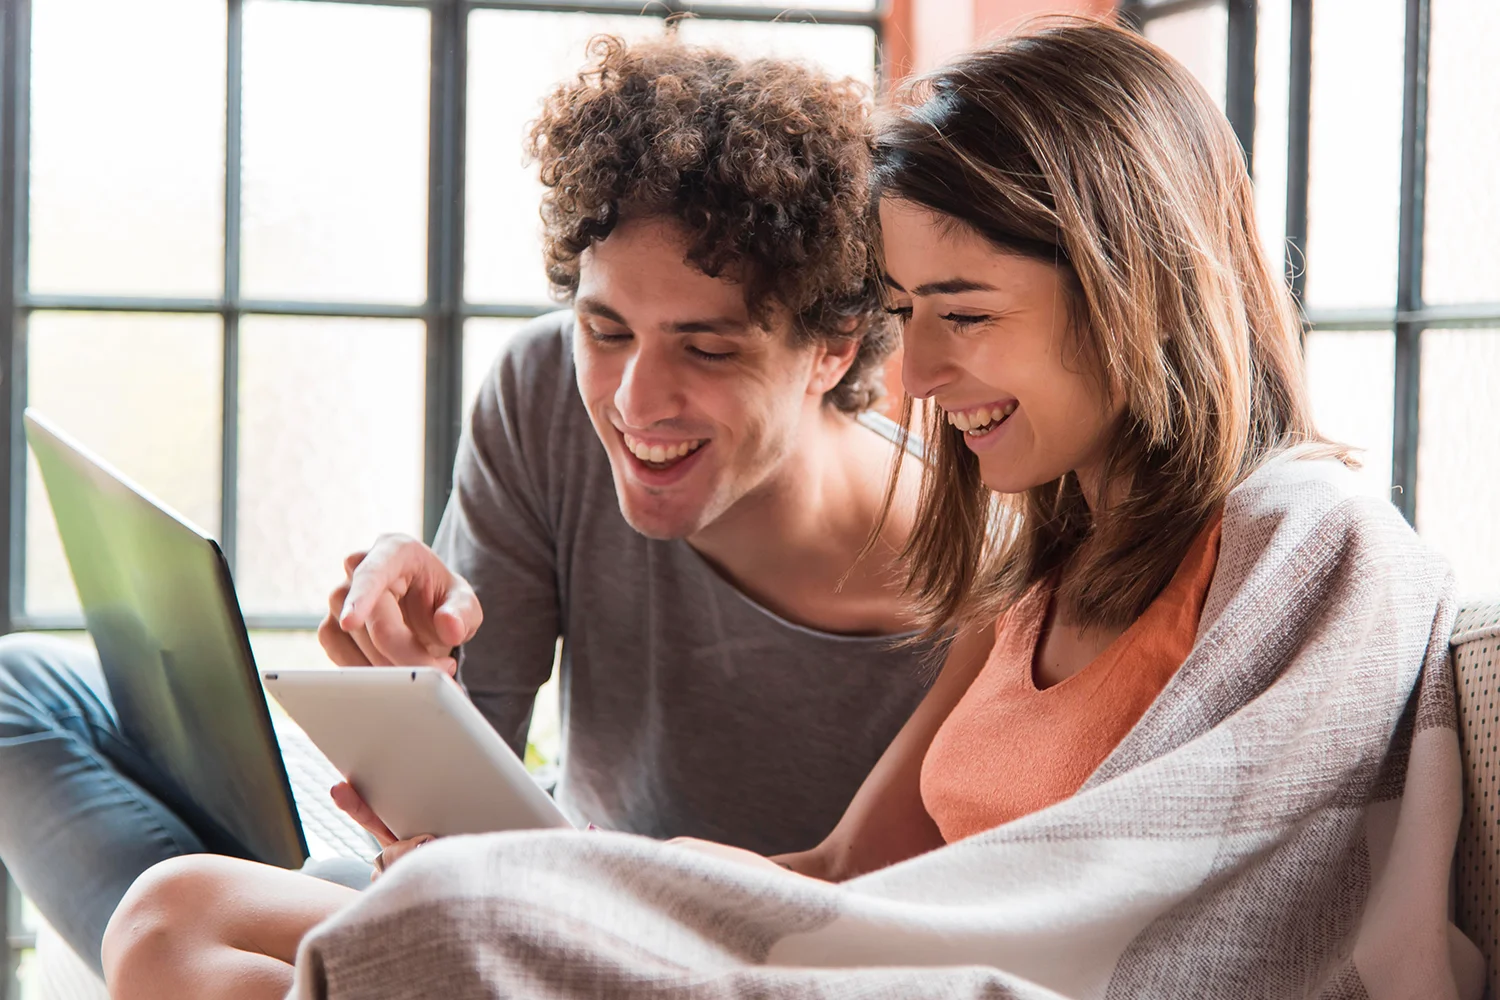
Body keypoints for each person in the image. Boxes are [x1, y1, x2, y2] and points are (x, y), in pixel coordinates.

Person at [101, 16, 1483, 1000]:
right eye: (904, 316)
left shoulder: (1306, 541)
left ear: (1132, 290)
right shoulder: (1042, 566)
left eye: (962, 317)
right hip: (859, 946)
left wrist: (557, 892)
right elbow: (837, 875)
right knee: (177, 910)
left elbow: (1204, 930)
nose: (919, 377)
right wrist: (570, 868)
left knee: (438, 919)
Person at [0, 36, 935, 978]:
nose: (634, 402)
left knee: (189, 929)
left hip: (676, 949)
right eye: (605, 330)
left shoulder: (969, 588)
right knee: (21, 696)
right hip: (526, 879)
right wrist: (417, 681)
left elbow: (892, 929)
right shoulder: (544, 391)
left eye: (708, 349)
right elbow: (454, 813)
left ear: (834, 349)